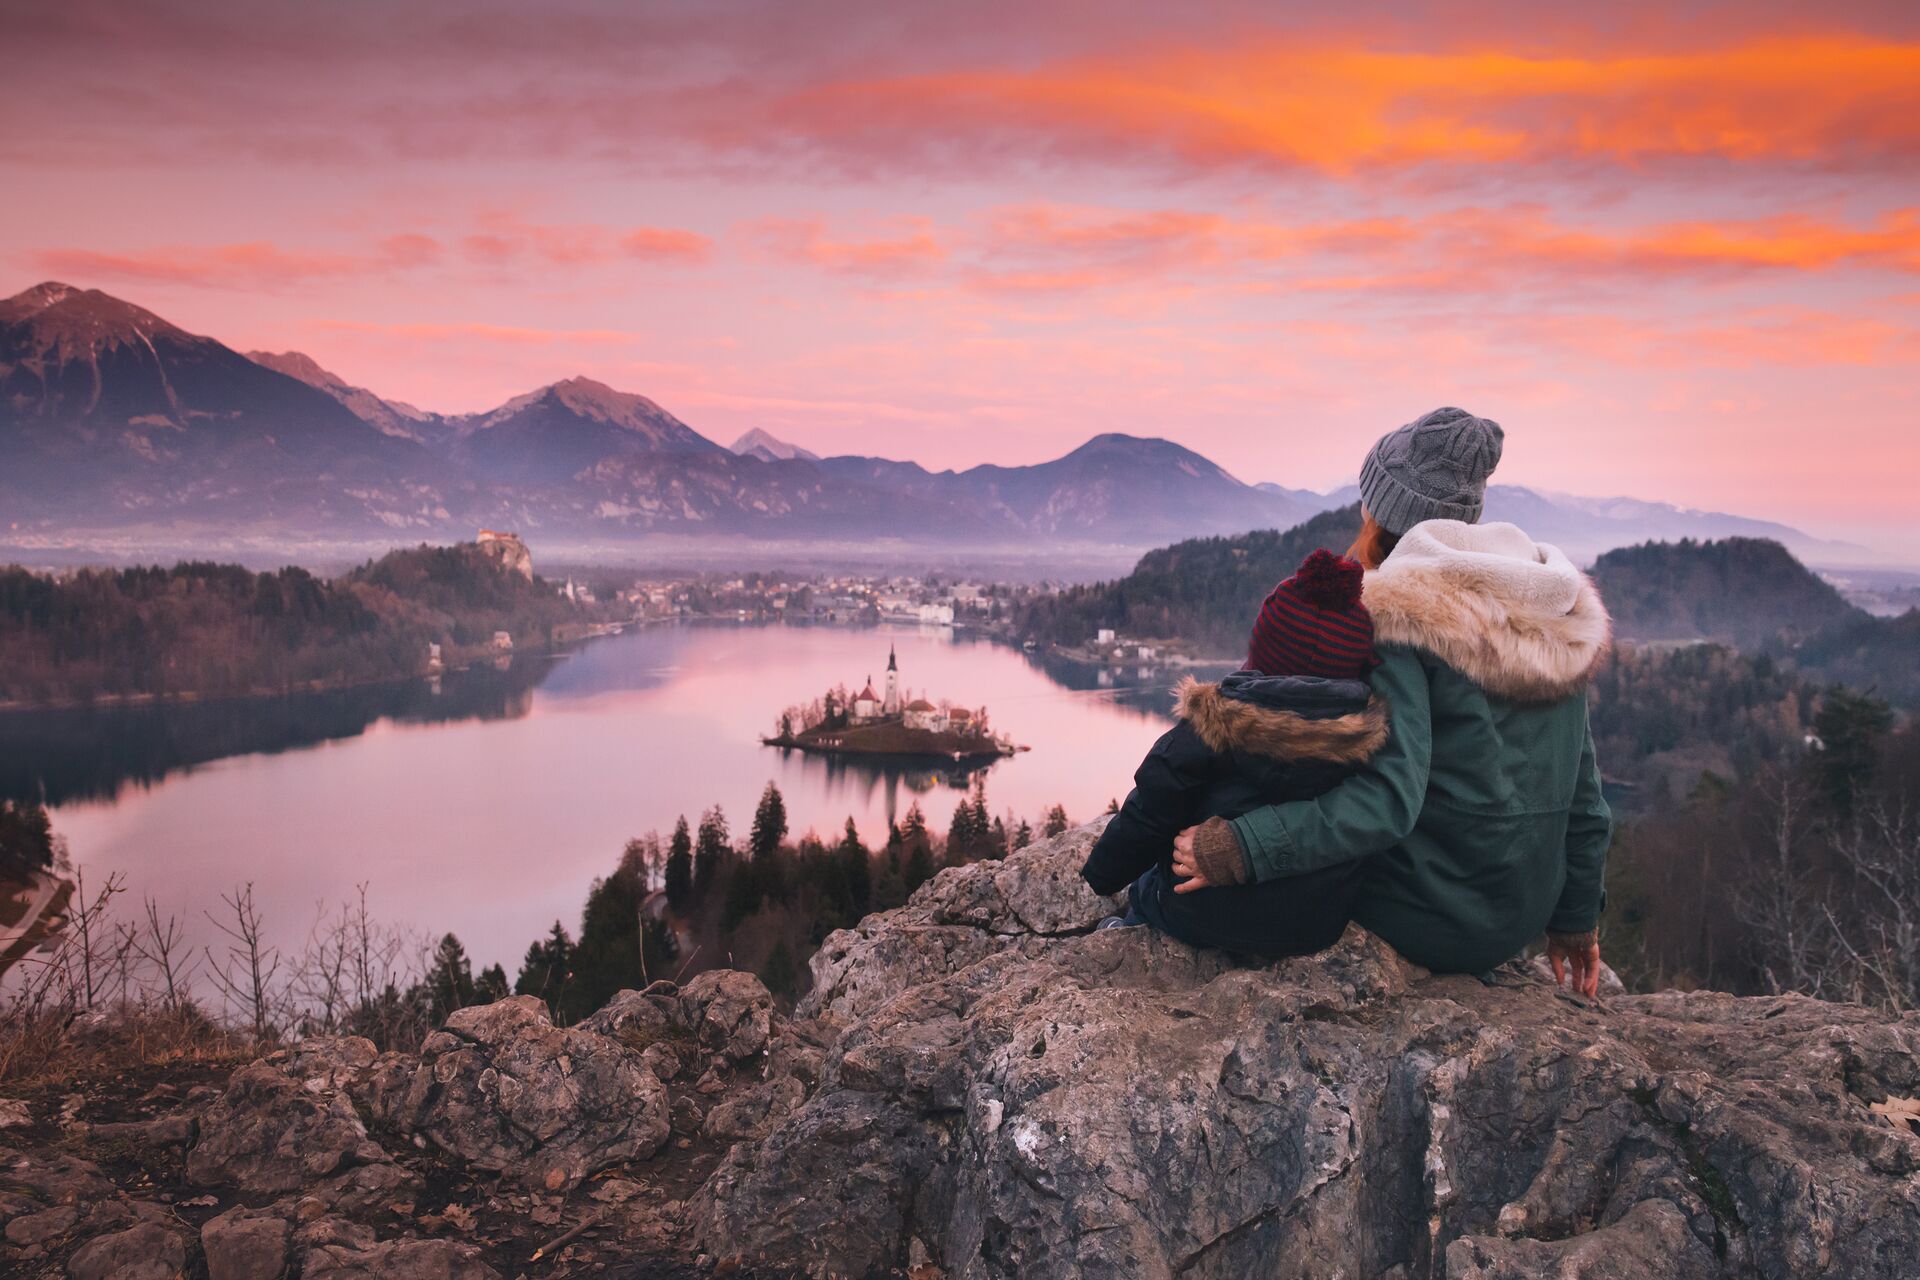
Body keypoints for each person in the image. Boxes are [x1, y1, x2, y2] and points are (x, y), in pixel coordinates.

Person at [1170, 407, 1614, 996]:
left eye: (1366, 499)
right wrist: (1576, 920)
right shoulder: (1541, 607)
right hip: (1518, 917)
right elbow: (1586, 799)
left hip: (1431, 917)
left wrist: (1243, 847)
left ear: (1381, 513)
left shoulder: (1402, 621)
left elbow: (1388, 802)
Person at [1080, 548, 1388, 957]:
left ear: (1260, 654)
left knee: (1147, 889)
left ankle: (1131, 921)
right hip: (1315, 924)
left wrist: (1102, 875)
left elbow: (1148, 813)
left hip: (1202, 912)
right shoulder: (1368, 741)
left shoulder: (1208, 731)